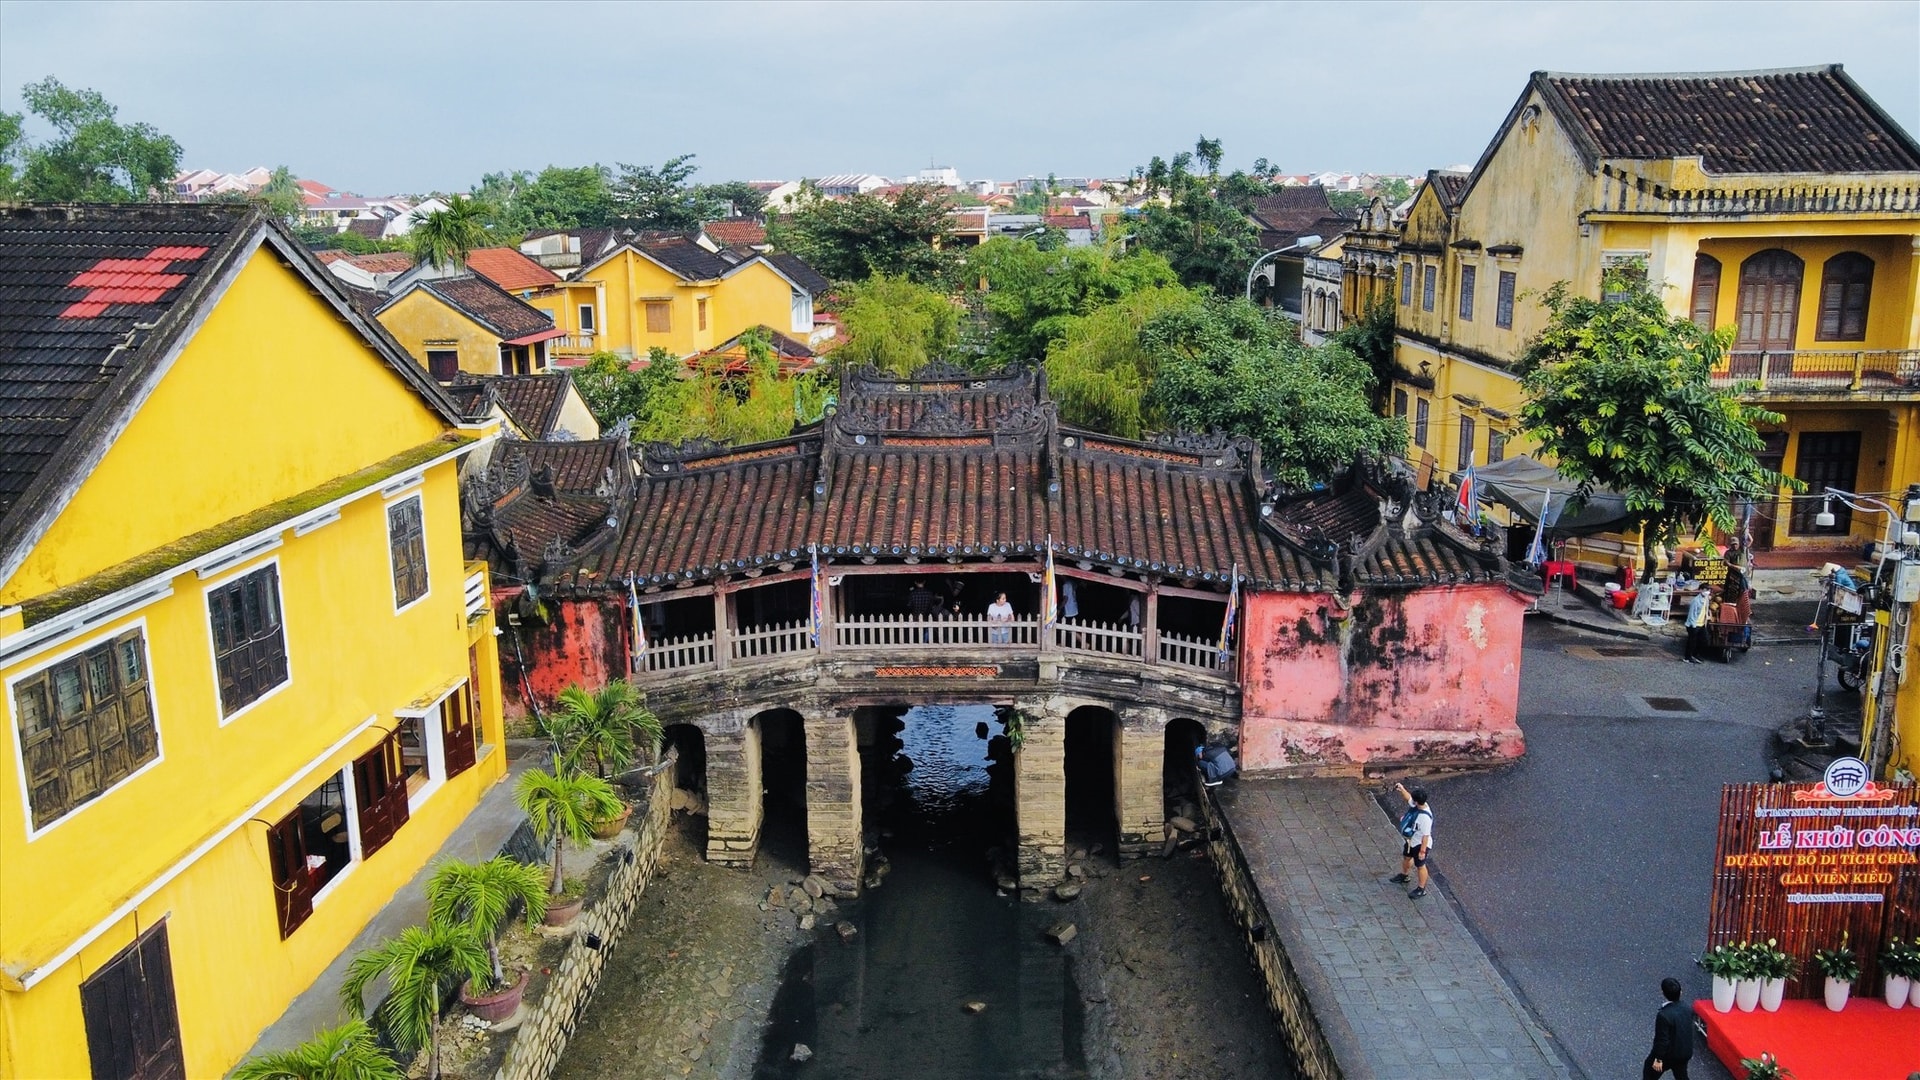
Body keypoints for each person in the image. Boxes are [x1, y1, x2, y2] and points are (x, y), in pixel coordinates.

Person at [1389, 782, 1433, 899]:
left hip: (1420, 844)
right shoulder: (1417, 805)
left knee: (1420, 865)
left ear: (1417, 802)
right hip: (1411, 841)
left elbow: (1426, 836)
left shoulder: (1425, 818)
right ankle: (1404, 875)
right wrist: (1402, 789)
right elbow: (1408, 797)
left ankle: (1421, 888)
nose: (1411, 801)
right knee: (1407, 857)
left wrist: (1422, 852)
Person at [1644, 977, 1694, 1079]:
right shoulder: (1687, 1008)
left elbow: (1662, 1040)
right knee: (1682, 1076)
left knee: (1649, 1073)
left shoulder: (1664, 1015)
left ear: (1663, 993)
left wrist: (1658, 1059)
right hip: (1684, 1052)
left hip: (1668, 1056)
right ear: (1681, 992)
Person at [1683, 586, 1714, 664]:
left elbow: (1706, 609)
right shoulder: (1696, 601)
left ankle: (1695, 654)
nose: (1707, 592)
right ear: (1701, 590)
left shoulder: (1706, 599)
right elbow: (1691, 614)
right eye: (1705, 590)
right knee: (1691, 642)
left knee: (1704, 640)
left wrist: (1707, 617)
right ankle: (1687, 657)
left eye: (1708, 590)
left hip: (1702, 624)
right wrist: (1693, 625)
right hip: (1693, 624)